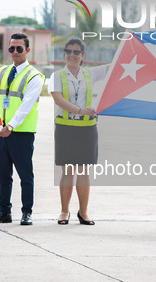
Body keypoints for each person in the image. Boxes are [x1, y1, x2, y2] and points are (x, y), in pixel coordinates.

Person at [0, 33, 44, 226]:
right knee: (3, 175)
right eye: (12, 48)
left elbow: (26, 106)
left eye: (19, 48)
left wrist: (11, 126)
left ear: (27, 50)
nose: (15, 52)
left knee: (25, 176)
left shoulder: (34, 76)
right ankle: (4, 211)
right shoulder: (1, 72)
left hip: (21, 134)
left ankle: (27, 212)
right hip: (1, 133)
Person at [48, 37, 108, 225]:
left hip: (86, 129)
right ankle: (64, 212)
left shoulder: (90, 73)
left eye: (76, 52)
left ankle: (83, 212)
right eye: (68, 51)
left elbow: (117, 66)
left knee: (83, 171)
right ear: (64, 53)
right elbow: (58, 99)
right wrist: (80, 110)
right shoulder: (57, 76)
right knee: (67, 170)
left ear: (83, 55)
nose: (71, 55)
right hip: (66, 128)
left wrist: (129, 42)